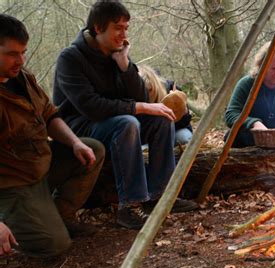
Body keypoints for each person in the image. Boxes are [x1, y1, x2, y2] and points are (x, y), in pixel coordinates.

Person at [53, 1, 197, 230]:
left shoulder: (116, 54)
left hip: (113, 121)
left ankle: (161, 195)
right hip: (79, 127)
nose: (123, 34)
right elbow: (90, 106)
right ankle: (129, 207)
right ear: (98, 28)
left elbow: (140, 95)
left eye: (126, 28)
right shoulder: (70, 58)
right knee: (128, 122)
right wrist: (138, 108)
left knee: (161, 119)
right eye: (118, 28)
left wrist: (124, 65)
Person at [0, 14, 105, 257]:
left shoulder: (22, 77)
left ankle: (58, 215)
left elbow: (48, 115)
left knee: (93, 149)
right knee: (55, 245)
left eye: (23, 52)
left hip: (40, 167)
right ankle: (17, 221)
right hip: (13, 185)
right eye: (12, 54)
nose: (20, 60)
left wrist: (75, 143)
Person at [138, 65, 193, 146]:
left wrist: (183, 112)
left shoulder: (171, 88)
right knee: (144, 148)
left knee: (184, 138)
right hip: (146, 137)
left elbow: (185, 123)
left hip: (176, 130)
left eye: (150, 90)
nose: (148, 94)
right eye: (144, 91)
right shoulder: (133, 98)